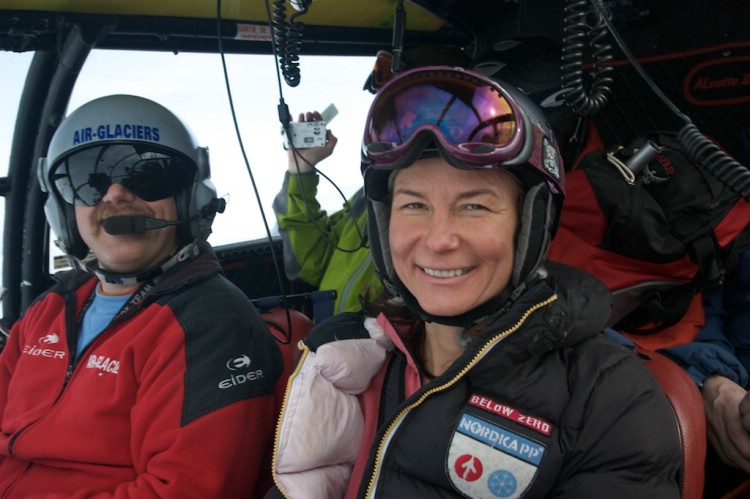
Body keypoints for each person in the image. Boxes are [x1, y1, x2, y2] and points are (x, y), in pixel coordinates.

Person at [270, 67, 682, 497]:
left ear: (530, 225)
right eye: (413, 205)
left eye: (474, 207)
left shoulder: (607, 397)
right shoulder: (340, 354)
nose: (439, 239)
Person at [0, 95, 285, 497]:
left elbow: (183, 490)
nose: (114, 195)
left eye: (145, 177)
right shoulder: (49, 308)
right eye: (89, 180)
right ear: (65, 210)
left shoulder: (208, 325)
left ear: (188, 201)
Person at [273, 111, 383, 316]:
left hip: (377, 343)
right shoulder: (370, 195)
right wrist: (301, 171)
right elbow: (313, 264)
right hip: (330, 339)